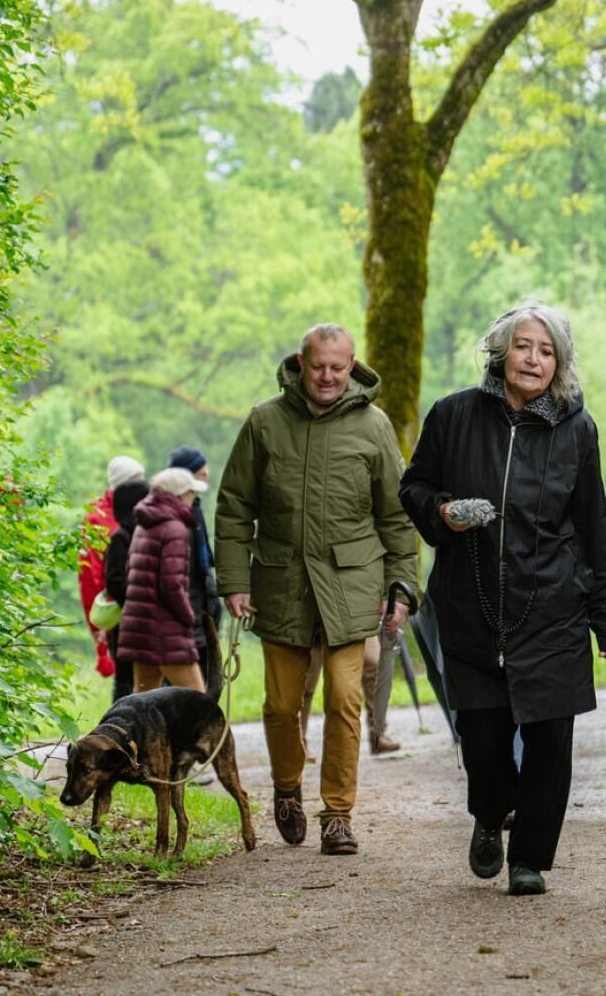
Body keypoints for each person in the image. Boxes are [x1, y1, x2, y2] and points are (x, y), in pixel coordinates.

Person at [400, 301, 606, 897]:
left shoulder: (577, 428)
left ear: (560, 363)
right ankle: (489, 811)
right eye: (524, 346)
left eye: (547, 351)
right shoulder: (454, 414)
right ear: (501, 352)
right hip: (470, 605)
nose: (533, 359)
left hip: (553, 607)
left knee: (550, 739)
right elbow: (414, 486)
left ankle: (530, 858)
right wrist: (443, 512)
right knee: (483, 738)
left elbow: (593, 523)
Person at [215, 323, 416, 855]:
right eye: (319, 366)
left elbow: (396, 517)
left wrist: (400, 588)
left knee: (346, 699)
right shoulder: (264, 421)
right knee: (283, 706)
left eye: (338, 367)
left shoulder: (374, 426)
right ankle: (287, 788)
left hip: (352, 584)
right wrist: (234, 580)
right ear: (301, 363)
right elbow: (234, 506)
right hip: (282, 582)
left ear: (352, 366)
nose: (328, 377)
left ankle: (337, 815)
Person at [116, 467, 212, 693]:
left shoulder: (143, 524)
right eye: (191, 493)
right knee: (197, 699)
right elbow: (172, 585)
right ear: (179, 496)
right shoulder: (175, 528)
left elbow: (131, 571)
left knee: (143, 700)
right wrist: (188, 617)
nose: (193, 499)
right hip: (165, 630)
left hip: (139, 626)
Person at [79, 455, 144, 677]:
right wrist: (97, 624)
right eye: (136, 480)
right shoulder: (96, 519)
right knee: (128, 680)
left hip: (146, 608)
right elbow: (89, 575)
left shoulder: (145, 512)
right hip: (117, 611)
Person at [102, 477, 152, 703]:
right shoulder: (120, 538)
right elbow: (114, 581)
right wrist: (137, 603)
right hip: (125, 623)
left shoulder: (144, 533)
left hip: (141, 622)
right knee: (125, 681)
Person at [166, 445, 223, 628]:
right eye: (201, 473)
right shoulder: (176, 516)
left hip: (198, 600)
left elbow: (202, 565)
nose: (207, 476)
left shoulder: (195, 508)